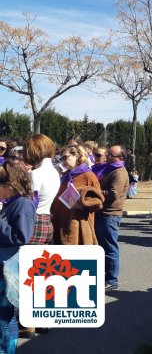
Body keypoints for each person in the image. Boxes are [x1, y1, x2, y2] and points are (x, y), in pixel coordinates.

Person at [0, 160, 36, 353]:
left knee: (5, 318)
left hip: (8, 271)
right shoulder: (13, 203)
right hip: (4, 267)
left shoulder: (23, 204)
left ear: (9, 186)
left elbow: (21, 235)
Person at [51, 145, 104, 245]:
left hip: (77, 226)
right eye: (61, 158)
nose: (63, 161)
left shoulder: (88, 176)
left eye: (65, 157)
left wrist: (81, 203)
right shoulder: (66, 176)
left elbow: (98, 201)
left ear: (77, 155)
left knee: (75, 259)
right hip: (61, 223)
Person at [95, 145, 129, 291]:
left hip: (110, 214)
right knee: (103, 246)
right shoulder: (110, 169)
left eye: (111, 155)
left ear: (120, 158)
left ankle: (112, 279)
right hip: (103, 213)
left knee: (109, 247)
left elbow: (112, 194)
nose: (107, 156)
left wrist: (95, 192)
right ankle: (106, 276)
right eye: (108, 153)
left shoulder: (119, 173)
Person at [23, 134, 60, 245]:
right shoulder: (54, 172)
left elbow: (31, 201)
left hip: (34, 221)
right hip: (46, 221)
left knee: (26, 261)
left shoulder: (36, 174)